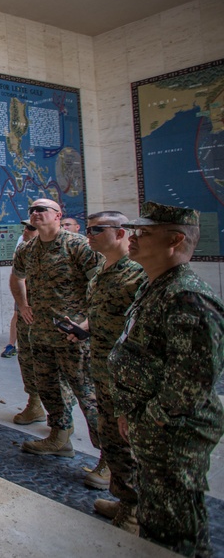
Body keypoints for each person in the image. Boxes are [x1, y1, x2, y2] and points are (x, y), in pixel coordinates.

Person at [109, 202, 224, 556]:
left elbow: (189, 386)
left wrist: (149, 421)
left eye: (145, 233)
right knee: (157, 518)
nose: (133, 238)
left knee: (176, 530)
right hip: (152, 425)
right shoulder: (155, 285)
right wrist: (129, 409)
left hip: (174, 434)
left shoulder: (188, 297)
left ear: (174, 240)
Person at [59, 211, 144, 528]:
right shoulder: (101, 274)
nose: (90, 234)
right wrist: (83, 327)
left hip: (128, 375)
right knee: (112, 438)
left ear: (121, 233)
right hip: (102, 368)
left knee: (130, 442)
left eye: (97, 229)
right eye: (89, 229)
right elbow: (99, 315)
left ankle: (138, 511)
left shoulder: (138, 275)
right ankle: (126, 501)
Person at [11, 198, 101, 457]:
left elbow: (102, 283)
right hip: (40, 334)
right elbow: (17, 278)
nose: (35, 213)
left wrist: (87, 322)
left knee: (88, 396)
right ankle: (60, 438)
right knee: (50, 390)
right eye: (32, 210)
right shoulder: (28, 249)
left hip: (72, 335)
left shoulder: (79, 245)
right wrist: (23, 305)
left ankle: (111, 460)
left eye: (42, 209)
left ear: (58, 215)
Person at [3, 221, 36, 360]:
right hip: (26, 290)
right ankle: (12, 344)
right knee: (18, 315)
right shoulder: (23, 246)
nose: (25, 230)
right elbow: (17, 275)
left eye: (30, 228)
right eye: (26, 227)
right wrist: (22, 303)